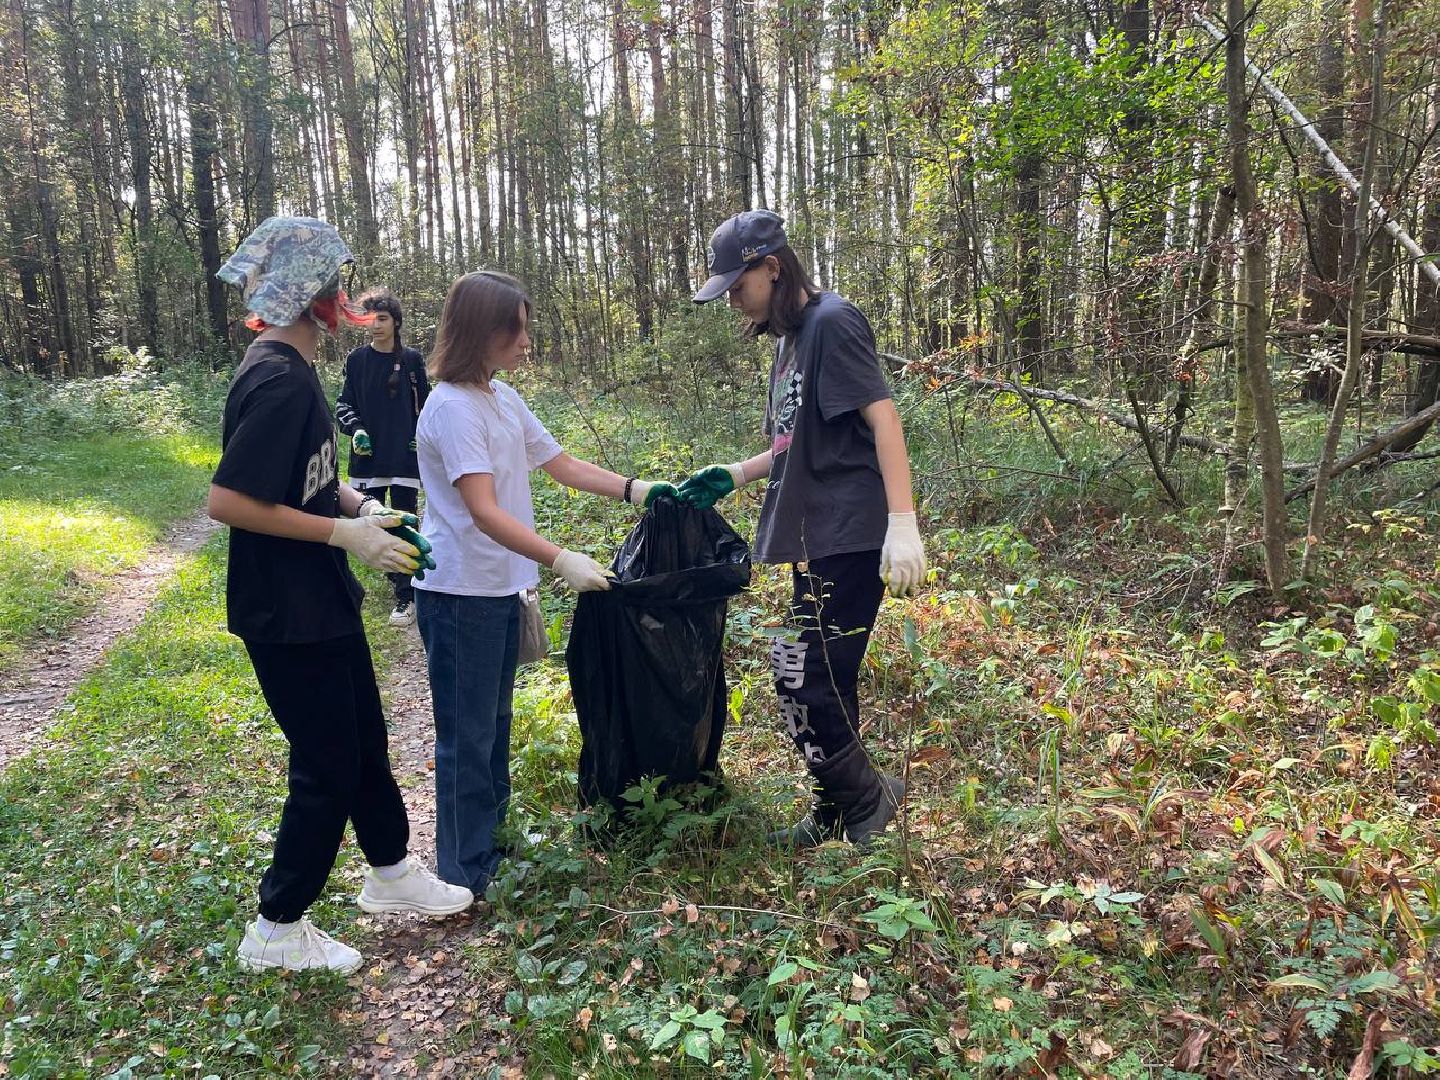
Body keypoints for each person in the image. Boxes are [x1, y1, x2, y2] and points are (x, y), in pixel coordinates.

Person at [208, 216, 472, 975]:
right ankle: (276, 925)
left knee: (364, 741)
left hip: (319, 600)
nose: (347, 296)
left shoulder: (291, 366)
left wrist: (359, 508)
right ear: (318, 295)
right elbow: (229, 501)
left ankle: (389, 870)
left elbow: (309, 477)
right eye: (338, 283)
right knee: (326, 763)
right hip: (284, 611)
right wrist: (340, 538)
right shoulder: (278, 379)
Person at [413, 270, 675, 897]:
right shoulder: (451, 408)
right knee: (467, 734)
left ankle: (490, 841)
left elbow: (561, 464)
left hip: (501, 589)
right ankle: (463, 869)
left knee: (495, 721)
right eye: (517, 327)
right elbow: (482, 509)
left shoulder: (500, 398)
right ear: (485, 331)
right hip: (459, 593)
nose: (527, 339)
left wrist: (636, 489)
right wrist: (561, 558)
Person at [679, 209, 927, 848]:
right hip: (812, 534)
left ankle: (866, 801)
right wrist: (738, 472)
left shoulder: (832, 322)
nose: (735, 301)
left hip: (849, 533)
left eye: (739, 286)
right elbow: (801, 440)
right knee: (812, 674)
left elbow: (884, 419)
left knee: (804, 675)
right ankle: (842, 800)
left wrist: (903, 523)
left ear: (773, 267)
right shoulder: (790, 336)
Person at [335, 287, 431, 628]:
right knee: (371, 523)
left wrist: (422, 437)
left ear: (396, 321)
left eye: (383, 318)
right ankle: (377, 584)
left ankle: (407, 595)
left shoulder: (412, 360)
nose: (375, 325)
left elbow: (427, 407)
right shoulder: (356, 360)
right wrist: (357, 429)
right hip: (368, 459)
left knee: (404, 519)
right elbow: (344, 405)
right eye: (370, 318)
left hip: (404, 456)